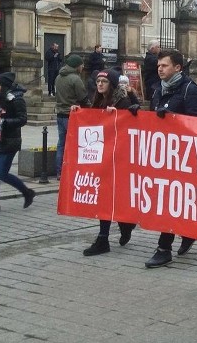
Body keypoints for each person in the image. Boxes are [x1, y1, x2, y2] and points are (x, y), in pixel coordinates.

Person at [144, 49, 197, 268]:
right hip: (163, 156)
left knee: (170, 201)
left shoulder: (191, 90)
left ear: (178, 68)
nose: (159, 68)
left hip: (183, 158)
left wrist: (173, 119)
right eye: (159, 65)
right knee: (167, 200)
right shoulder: (158, 90)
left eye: (165, 65)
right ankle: (188, 232)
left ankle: (164, 249)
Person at [75, 69, 139, 256]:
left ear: (111, 84)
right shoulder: (97, 100)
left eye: (104, 81)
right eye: (98, 81)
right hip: (101, 157)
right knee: (104, 196)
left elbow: (131, 123)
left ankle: (122, 226)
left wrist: (118, 114)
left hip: (118, 157)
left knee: (112, 196)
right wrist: (78, 113)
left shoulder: (123, 101)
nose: (100, 84)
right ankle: (110, 234)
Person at [0, 73, 36, 214]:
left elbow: (22, 119)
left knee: (1, 173)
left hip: (10, 141)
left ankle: (27, 192)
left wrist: (3, 121)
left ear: (5, 86)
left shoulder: (17, 99)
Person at [53, 54, 88, 179]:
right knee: (75, 144)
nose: (83, 67)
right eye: (81, 65)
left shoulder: (58, 77)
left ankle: (59, 171)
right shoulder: (75, 79)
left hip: (60, 113)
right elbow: (83, 97)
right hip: (72, 114)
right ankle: (72, 170)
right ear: (77, 66)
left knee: (61, 144)